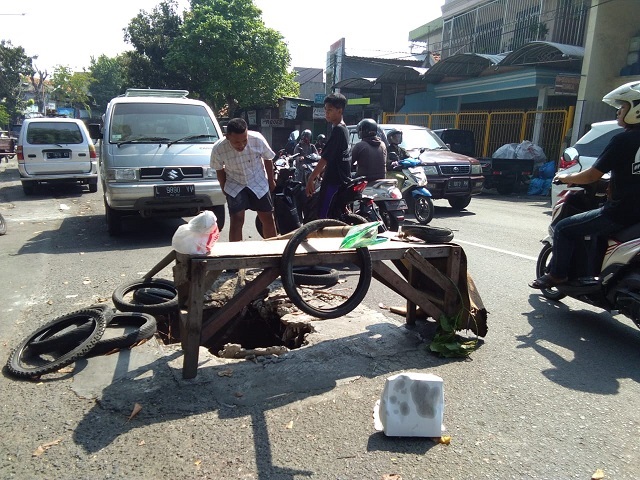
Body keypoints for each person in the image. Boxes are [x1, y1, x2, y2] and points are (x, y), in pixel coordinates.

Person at [529, 80, 640, 289]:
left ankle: (557, 275)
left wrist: (565, 178)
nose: (618, 112)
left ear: (636, 109)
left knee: (563, 228)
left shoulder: (623, 140)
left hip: (621, 213)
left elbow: (591, 176)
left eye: (623, 107)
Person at [210, 118, 277, 242]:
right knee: (237, 219)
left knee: (267, 217)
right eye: (236, 142)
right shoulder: (218, 148)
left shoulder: (257, 139)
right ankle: (236, 254)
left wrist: (271, 180)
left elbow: (268, 159)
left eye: (244, 140)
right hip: (235, 184)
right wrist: (223, 186)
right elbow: (219, 170)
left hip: (258, 182)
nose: (241, 145)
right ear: (227, 137)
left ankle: (272, 250)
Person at [305, 93, 352, 218]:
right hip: (342, 180)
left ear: (340, 110)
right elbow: (334, 156)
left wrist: (311, 178)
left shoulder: (338, 130)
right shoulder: (344, 128)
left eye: (330, 110)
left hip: (334, 181)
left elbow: (325, 158)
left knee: (322, 217)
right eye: (325, 110)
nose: (327, 113)